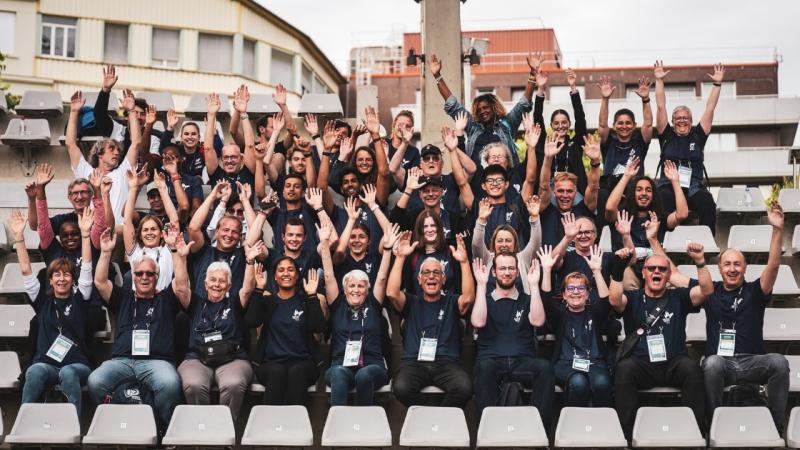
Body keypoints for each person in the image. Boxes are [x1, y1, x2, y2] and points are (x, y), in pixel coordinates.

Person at [675, 202, 789, 431]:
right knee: (713, 363)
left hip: (752, 361)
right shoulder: (710, 289)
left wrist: (777, 230)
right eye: (727, 264)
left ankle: (776, 428)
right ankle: (714, 426)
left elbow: (774, 267)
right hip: (721, 362)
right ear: (720, 269)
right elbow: (673, 275)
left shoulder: (755, 291)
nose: (732, 268)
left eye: (738, 264)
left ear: (745, 269)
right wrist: (654, 242)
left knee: (779, 362)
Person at [609, 242, 713, 439]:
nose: (657, 272)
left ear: (668, 276)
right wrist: (617, 270)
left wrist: (700, 262)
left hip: (674, 363)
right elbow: (614, 300)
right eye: (651, 268)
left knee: (692, 369)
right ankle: (626, 436)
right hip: (642, 364)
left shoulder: (679, 296)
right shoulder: (633, 297)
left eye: (662, 269)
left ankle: (696, 434)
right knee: (624, 368)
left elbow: (706, 291)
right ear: (644, 273)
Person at [88, 227, 188, 429]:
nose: (144, 277)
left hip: (156, 362)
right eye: (139, 273)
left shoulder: (166, 299)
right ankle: (118, 420)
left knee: (170, 384)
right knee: (95, 380)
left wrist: (176, 252)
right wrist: (106, 252)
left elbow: (182, 285)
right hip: (123, 361)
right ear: (133, 276)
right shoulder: (123, 297)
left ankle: (162, 428)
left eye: (149, 274)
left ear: (156, 277)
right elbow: (100, 282)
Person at [10, 209, 94, 416]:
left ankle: (72, 422)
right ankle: (24, 421)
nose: (62, 279)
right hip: (47, 364)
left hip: (76, 365)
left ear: (72, 280)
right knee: (35, 370)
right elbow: (26, 271)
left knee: (68, 371)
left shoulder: (80, 300)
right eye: (57, 275)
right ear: (50, 280)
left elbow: (87, 270)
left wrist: (85, 236)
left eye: (66, 275)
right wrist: (19, 238)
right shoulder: (42, 302)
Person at [176, 227, 262, 420]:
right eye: (212, 280)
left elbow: (247, 289)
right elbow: (181, 287)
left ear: (229, 286)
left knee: (233, 384)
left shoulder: (234, 302)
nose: (216, 284)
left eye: (222, 281)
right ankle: (203, 430)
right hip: (197, 358)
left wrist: (249, 261)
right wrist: (180, 257)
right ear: (205, 284)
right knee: (194, 384)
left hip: (233, 359)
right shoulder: (196, 301)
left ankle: (225, 433)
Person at [387, 232, 475, 407]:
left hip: (446, 362)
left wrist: (464, 263)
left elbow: (468, 298)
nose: (432, 276)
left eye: (436, 272)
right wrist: (400, 257)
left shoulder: (451, 301)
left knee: (464, 387)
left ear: (444, 279)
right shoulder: (411, 301)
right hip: (415, 362)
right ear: (419, 280)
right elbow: (391, 292)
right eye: (426, 273)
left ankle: (438, 418)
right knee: (402, 387)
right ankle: (427, 416)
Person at [319, 223, 397, 406]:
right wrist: (324, 243)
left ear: (367, 289)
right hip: (341, 365)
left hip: (373, 365)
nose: (356, 289)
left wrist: (387, 249)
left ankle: (363, 425)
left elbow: (383, 277)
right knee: (338, 373)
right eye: (351, 286)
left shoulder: (374, 303)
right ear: (344, 290)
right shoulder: (338, 304)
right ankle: (338, 425)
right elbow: (329, 276)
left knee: (364, 374)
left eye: (361, 285)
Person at [471, 255, 553, 423]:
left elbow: (538, 321)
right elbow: (478, 321)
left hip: (522, 362)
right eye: (502, 268)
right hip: (491, 362)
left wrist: (534, 285)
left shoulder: (526, 299)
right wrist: (481, 285)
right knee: (483, 368)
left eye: (511, 268)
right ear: (494, 272)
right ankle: (487, 435)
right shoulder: (484, 300)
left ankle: (539, 433)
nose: (507, 272)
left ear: (517, 272)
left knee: (545, 368)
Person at [654, 61, 725, 233]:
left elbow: (710, 107)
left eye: (686, 118)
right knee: (662, 200)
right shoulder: (666, 136)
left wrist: (717, 84)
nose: (682, 121)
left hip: (693, 186)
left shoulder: (698, 136)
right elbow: (661, 106)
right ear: (672, 122)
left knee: (707, 202)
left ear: (691, 122)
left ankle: (707, 244)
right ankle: (663, 242)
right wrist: (659, 81)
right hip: (668, 186)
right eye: (678, 118)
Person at [430, 52, 539, 165]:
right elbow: (452, 104)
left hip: (505, 179)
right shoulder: (472, 126)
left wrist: (533, 73)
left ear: (494, 107)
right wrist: (437, 76)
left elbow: (524, 104)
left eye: (485, 108)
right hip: (478, 181)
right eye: (479, 110)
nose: (482, 111)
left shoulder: (507, 124)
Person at [539, 246, 613, 408]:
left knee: (601, 383)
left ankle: (604, 425)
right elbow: (546, 299)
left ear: (587, 294)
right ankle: (575, 425)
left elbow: (606, 300)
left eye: (581, 288)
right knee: (578, 382)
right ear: (564, 294)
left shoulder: (594, 313)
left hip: (595, 363)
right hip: (566, 364)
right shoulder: (560, 316)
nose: (576, 292)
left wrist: (597, 271)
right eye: (570, 288)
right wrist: (546, 270)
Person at [246, 257, 326, 405]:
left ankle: (296, 425)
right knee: (277, 371)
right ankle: (270, 424)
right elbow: (251, 322)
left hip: (303, 363)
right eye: (281, 270)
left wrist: (312, 295)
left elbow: (318, 327)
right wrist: (259, 289)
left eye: (290, 270)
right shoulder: (268, 301)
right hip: (271, 363)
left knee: (296, 371)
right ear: (275, 277)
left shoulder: (305, 301)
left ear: (297, 276)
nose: (286, 273)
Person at [605, 157, 688, 288]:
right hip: (628, 266)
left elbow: (682, 214)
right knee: (625, 278)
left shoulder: (658, 218)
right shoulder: (621, 216)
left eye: (648, 190)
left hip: (655, 267)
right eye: (639, 189)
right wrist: (626, 177)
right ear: (632, 193)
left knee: (673, 284)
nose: (644, 193)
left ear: (653, 195)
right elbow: (609, 207)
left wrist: (675, 181)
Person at [67, 88, 144, 224]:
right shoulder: (85, 172)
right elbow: (71, 144)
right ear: (99, 154)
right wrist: (74, 112)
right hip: (92, 232)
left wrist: (132, 111)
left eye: (118, 150)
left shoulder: (123, 172)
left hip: (120, 233)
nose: (117, 152)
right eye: (111, 149)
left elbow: (136, 142)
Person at [596, 75, 654, 214]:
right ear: (614, 126)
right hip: (610, 192)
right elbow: (602, 125)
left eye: (628, 123)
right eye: (620, 123)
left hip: (634, 193)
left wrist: (645, 99)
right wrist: (605, 99)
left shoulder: (640, 143)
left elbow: (648, 124)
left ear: (634, 126)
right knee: (601, 194)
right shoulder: (608, 142)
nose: (624, 126)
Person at [537, 133, 601, 247]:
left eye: (569, 191)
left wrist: (595, 162)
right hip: (551, 263)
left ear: (575, 192)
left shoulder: (584, 210)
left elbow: (593, 187)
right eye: (560, 191)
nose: (565, 195)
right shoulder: (547, 210)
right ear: (554, 192)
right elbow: (544, 186)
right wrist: (547, 159)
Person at [532, 67, 590, 194]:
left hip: (575, 191)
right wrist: (541, 89)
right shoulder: (547, 143)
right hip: (551, 191)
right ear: (551, 125)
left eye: (564, 122)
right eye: (556, 123)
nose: (560, 126)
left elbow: (580, 117)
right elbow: (537, 117)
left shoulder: (576, 143)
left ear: (569, 124)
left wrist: (573, 86)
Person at [472, 193, 542, 294]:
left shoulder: (522, 258)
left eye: (508, 241)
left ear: (515, 243)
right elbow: (476, 245)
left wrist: (535, 217)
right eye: (500, 241)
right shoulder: (487, 258)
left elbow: (536, 243)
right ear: (493, 243)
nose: (504, 244)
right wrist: (481, 220)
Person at [123, 168, 180, 291]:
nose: (149, 232)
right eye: (145, 230)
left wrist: (162, 189)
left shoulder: (167, 252)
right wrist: (133, 188)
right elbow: (127, 221)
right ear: (140, 234)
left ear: (161, 234)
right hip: (138, 306)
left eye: (153, 229)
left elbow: (174, 221)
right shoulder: (136, 253)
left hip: (161, 305)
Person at [389, 167, 465, 243]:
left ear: (442, 192)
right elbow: (394, 223)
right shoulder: (413, 217)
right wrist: (408, 189)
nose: (431, 194)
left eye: (434, 190)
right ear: (420, 194)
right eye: (426, 191)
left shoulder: (453, 219)